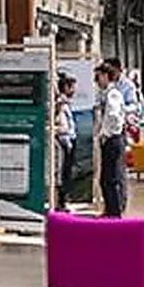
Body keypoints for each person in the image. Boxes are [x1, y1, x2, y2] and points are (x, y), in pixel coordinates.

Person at [94, 62, 127, 218]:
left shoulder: (113, 94)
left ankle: (114, 212)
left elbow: (113, 117)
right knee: (105, 178)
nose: (97, 80)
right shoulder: (106, 93)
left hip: (112, 140)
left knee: (110, 179)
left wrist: (105, 134)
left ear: (106, 76)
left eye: (99, 76)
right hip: (110, 139)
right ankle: (110, 209)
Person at [54, 74, 77, 211]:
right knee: (62, 173)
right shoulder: (60, 103)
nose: (74, 91)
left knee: (66, 173)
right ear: (66, 87)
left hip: (68, 140)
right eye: (72, 87)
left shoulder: (66, 103)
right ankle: (60, 202)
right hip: (62, 140)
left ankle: (63, 201)